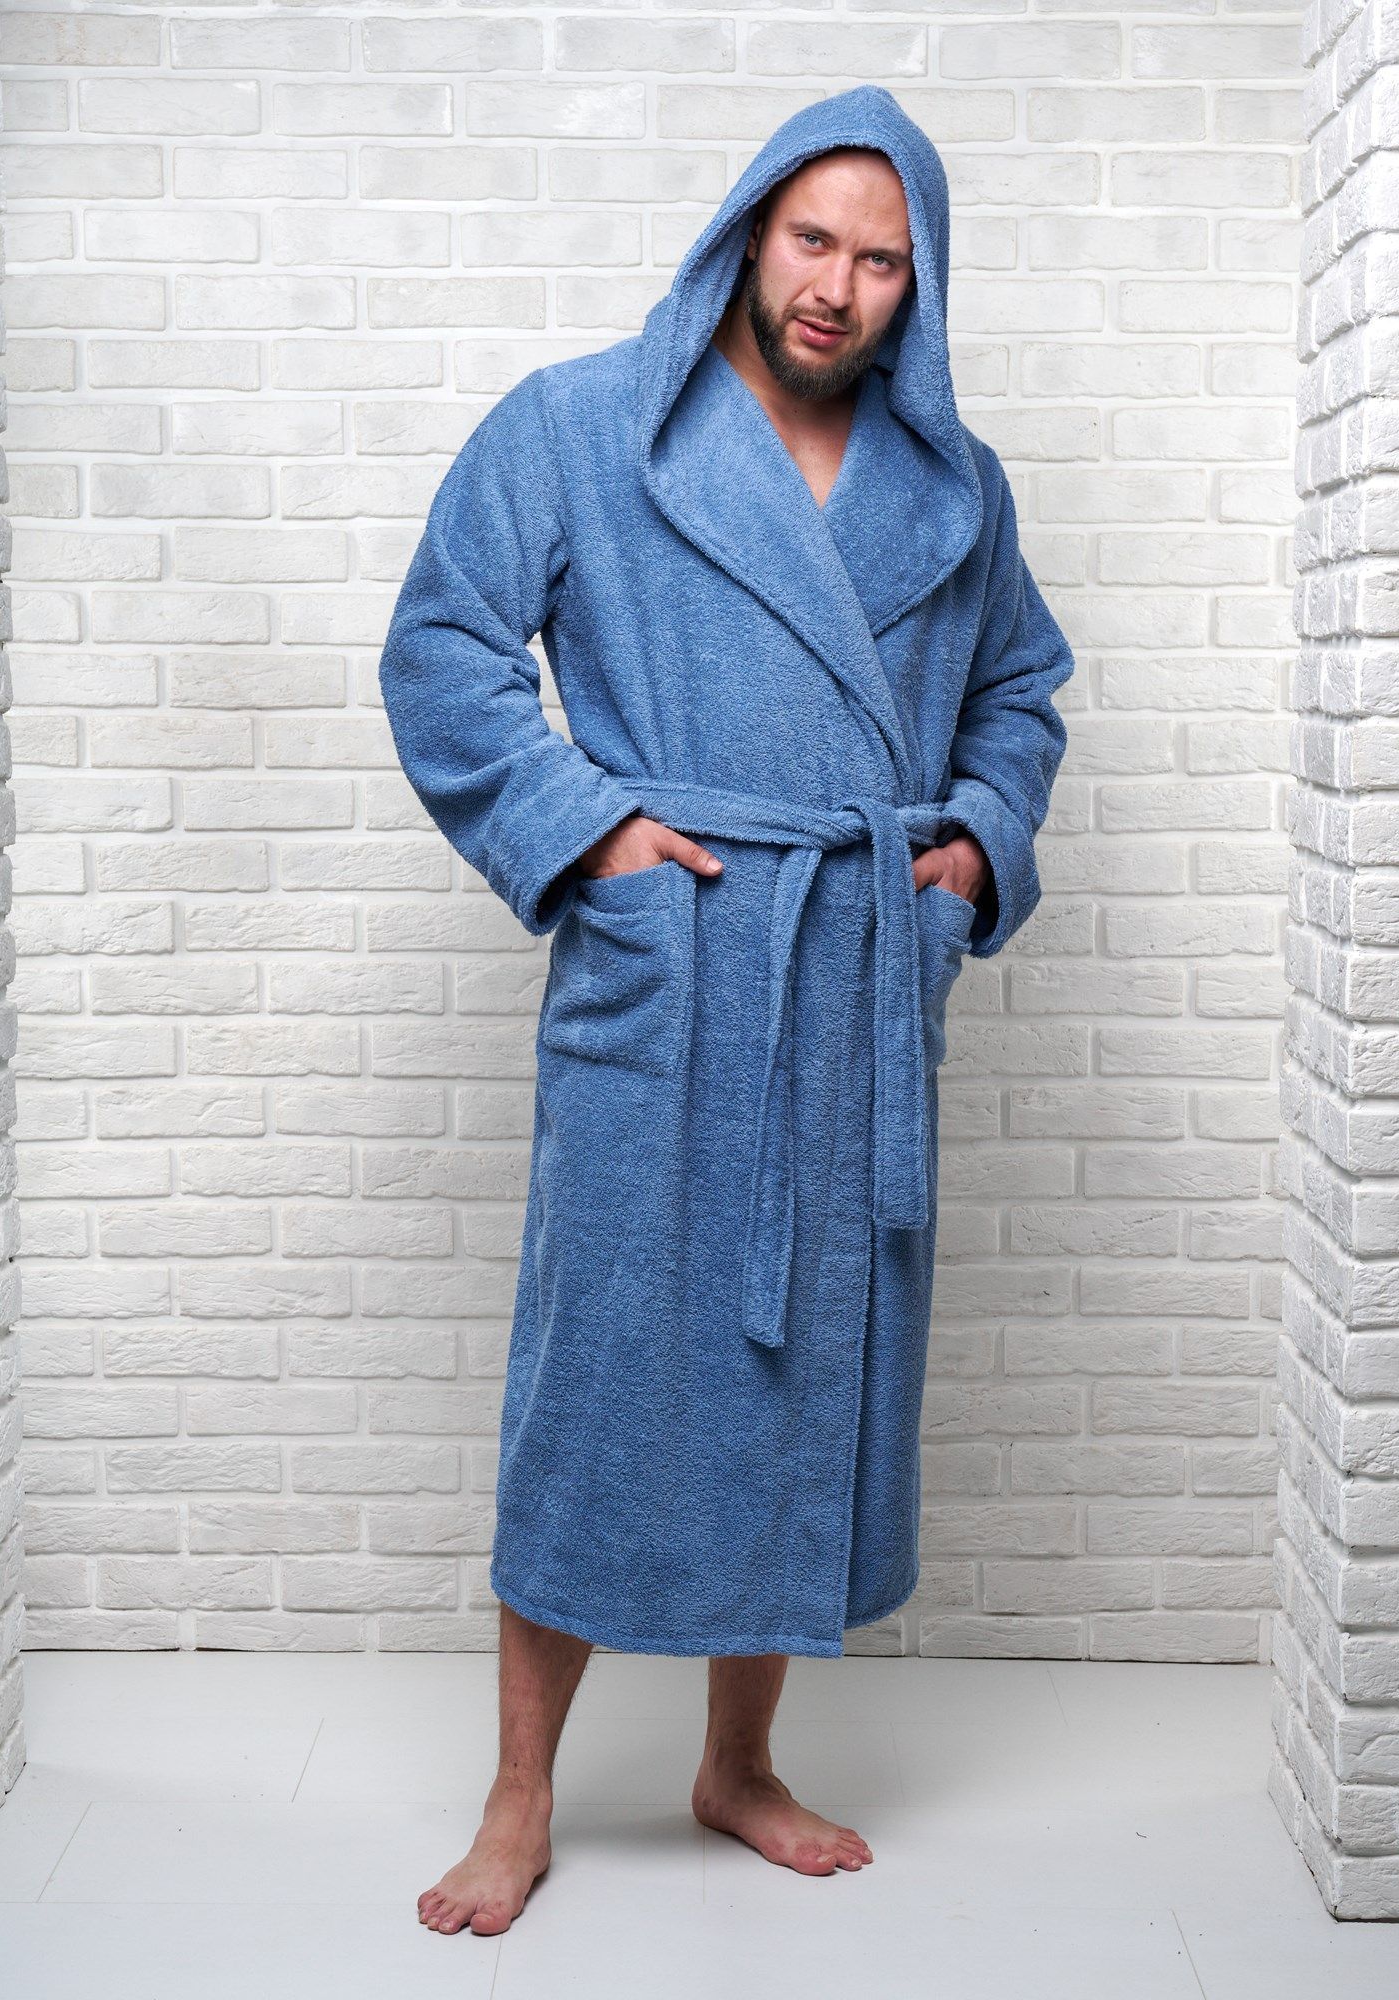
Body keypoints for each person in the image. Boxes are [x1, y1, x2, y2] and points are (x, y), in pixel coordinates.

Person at [378, 84, 1074, 1935]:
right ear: (750, 233)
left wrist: (971, 855)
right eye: (811, 239)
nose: (836, 286)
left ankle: (739, 1767)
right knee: (599, 1371)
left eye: (880, 259)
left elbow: (1020, 692)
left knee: (800, 1373)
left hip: (849, 978)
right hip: (675, 965)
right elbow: (443, 645)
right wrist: (585, 832)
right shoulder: (584, 425)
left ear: (921, 282)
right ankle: (521, 1794)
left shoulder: (954, 487)